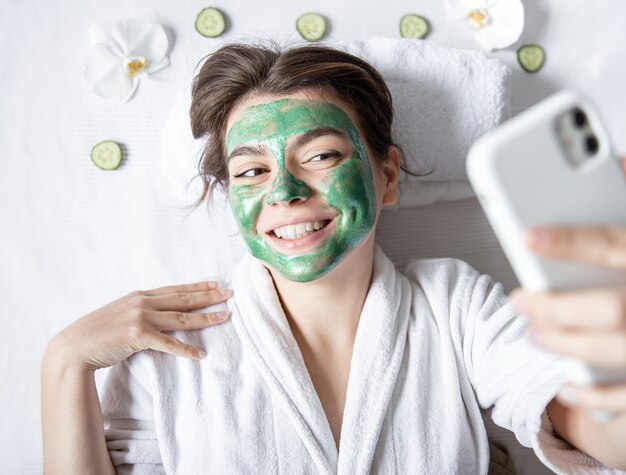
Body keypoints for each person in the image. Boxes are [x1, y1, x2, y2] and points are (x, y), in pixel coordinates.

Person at [41, 40, 626, 474]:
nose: (285, 192)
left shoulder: (455, 305)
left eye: (319, 156)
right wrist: (64, 363)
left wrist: (616, 369)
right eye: (251, 171)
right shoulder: (168, 348)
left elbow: (585, 419)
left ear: (388, 174)